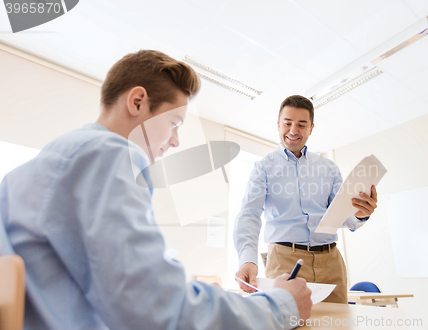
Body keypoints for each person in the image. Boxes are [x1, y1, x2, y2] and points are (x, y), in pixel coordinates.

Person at [0, 50, 312, 329]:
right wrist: (281, 304)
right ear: (137, 102)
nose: (175, 140)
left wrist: (188, 296)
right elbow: (156, 313)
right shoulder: (110, 155)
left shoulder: (41, 166)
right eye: (175, 122)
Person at [234, 95, 378, 303]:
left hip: (330, 262)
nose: (293, 130)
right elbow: (249, 215)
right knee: (287, 323)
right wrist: (247, 259)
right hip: (284, 260)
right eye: (287, 123)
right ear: (278, 125)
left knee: (336, 325)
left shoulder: (328, 168)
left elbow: (343, 215)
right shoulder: (263, 167)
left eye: (302, 125)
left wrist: (360, 214)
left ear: (311, 128)